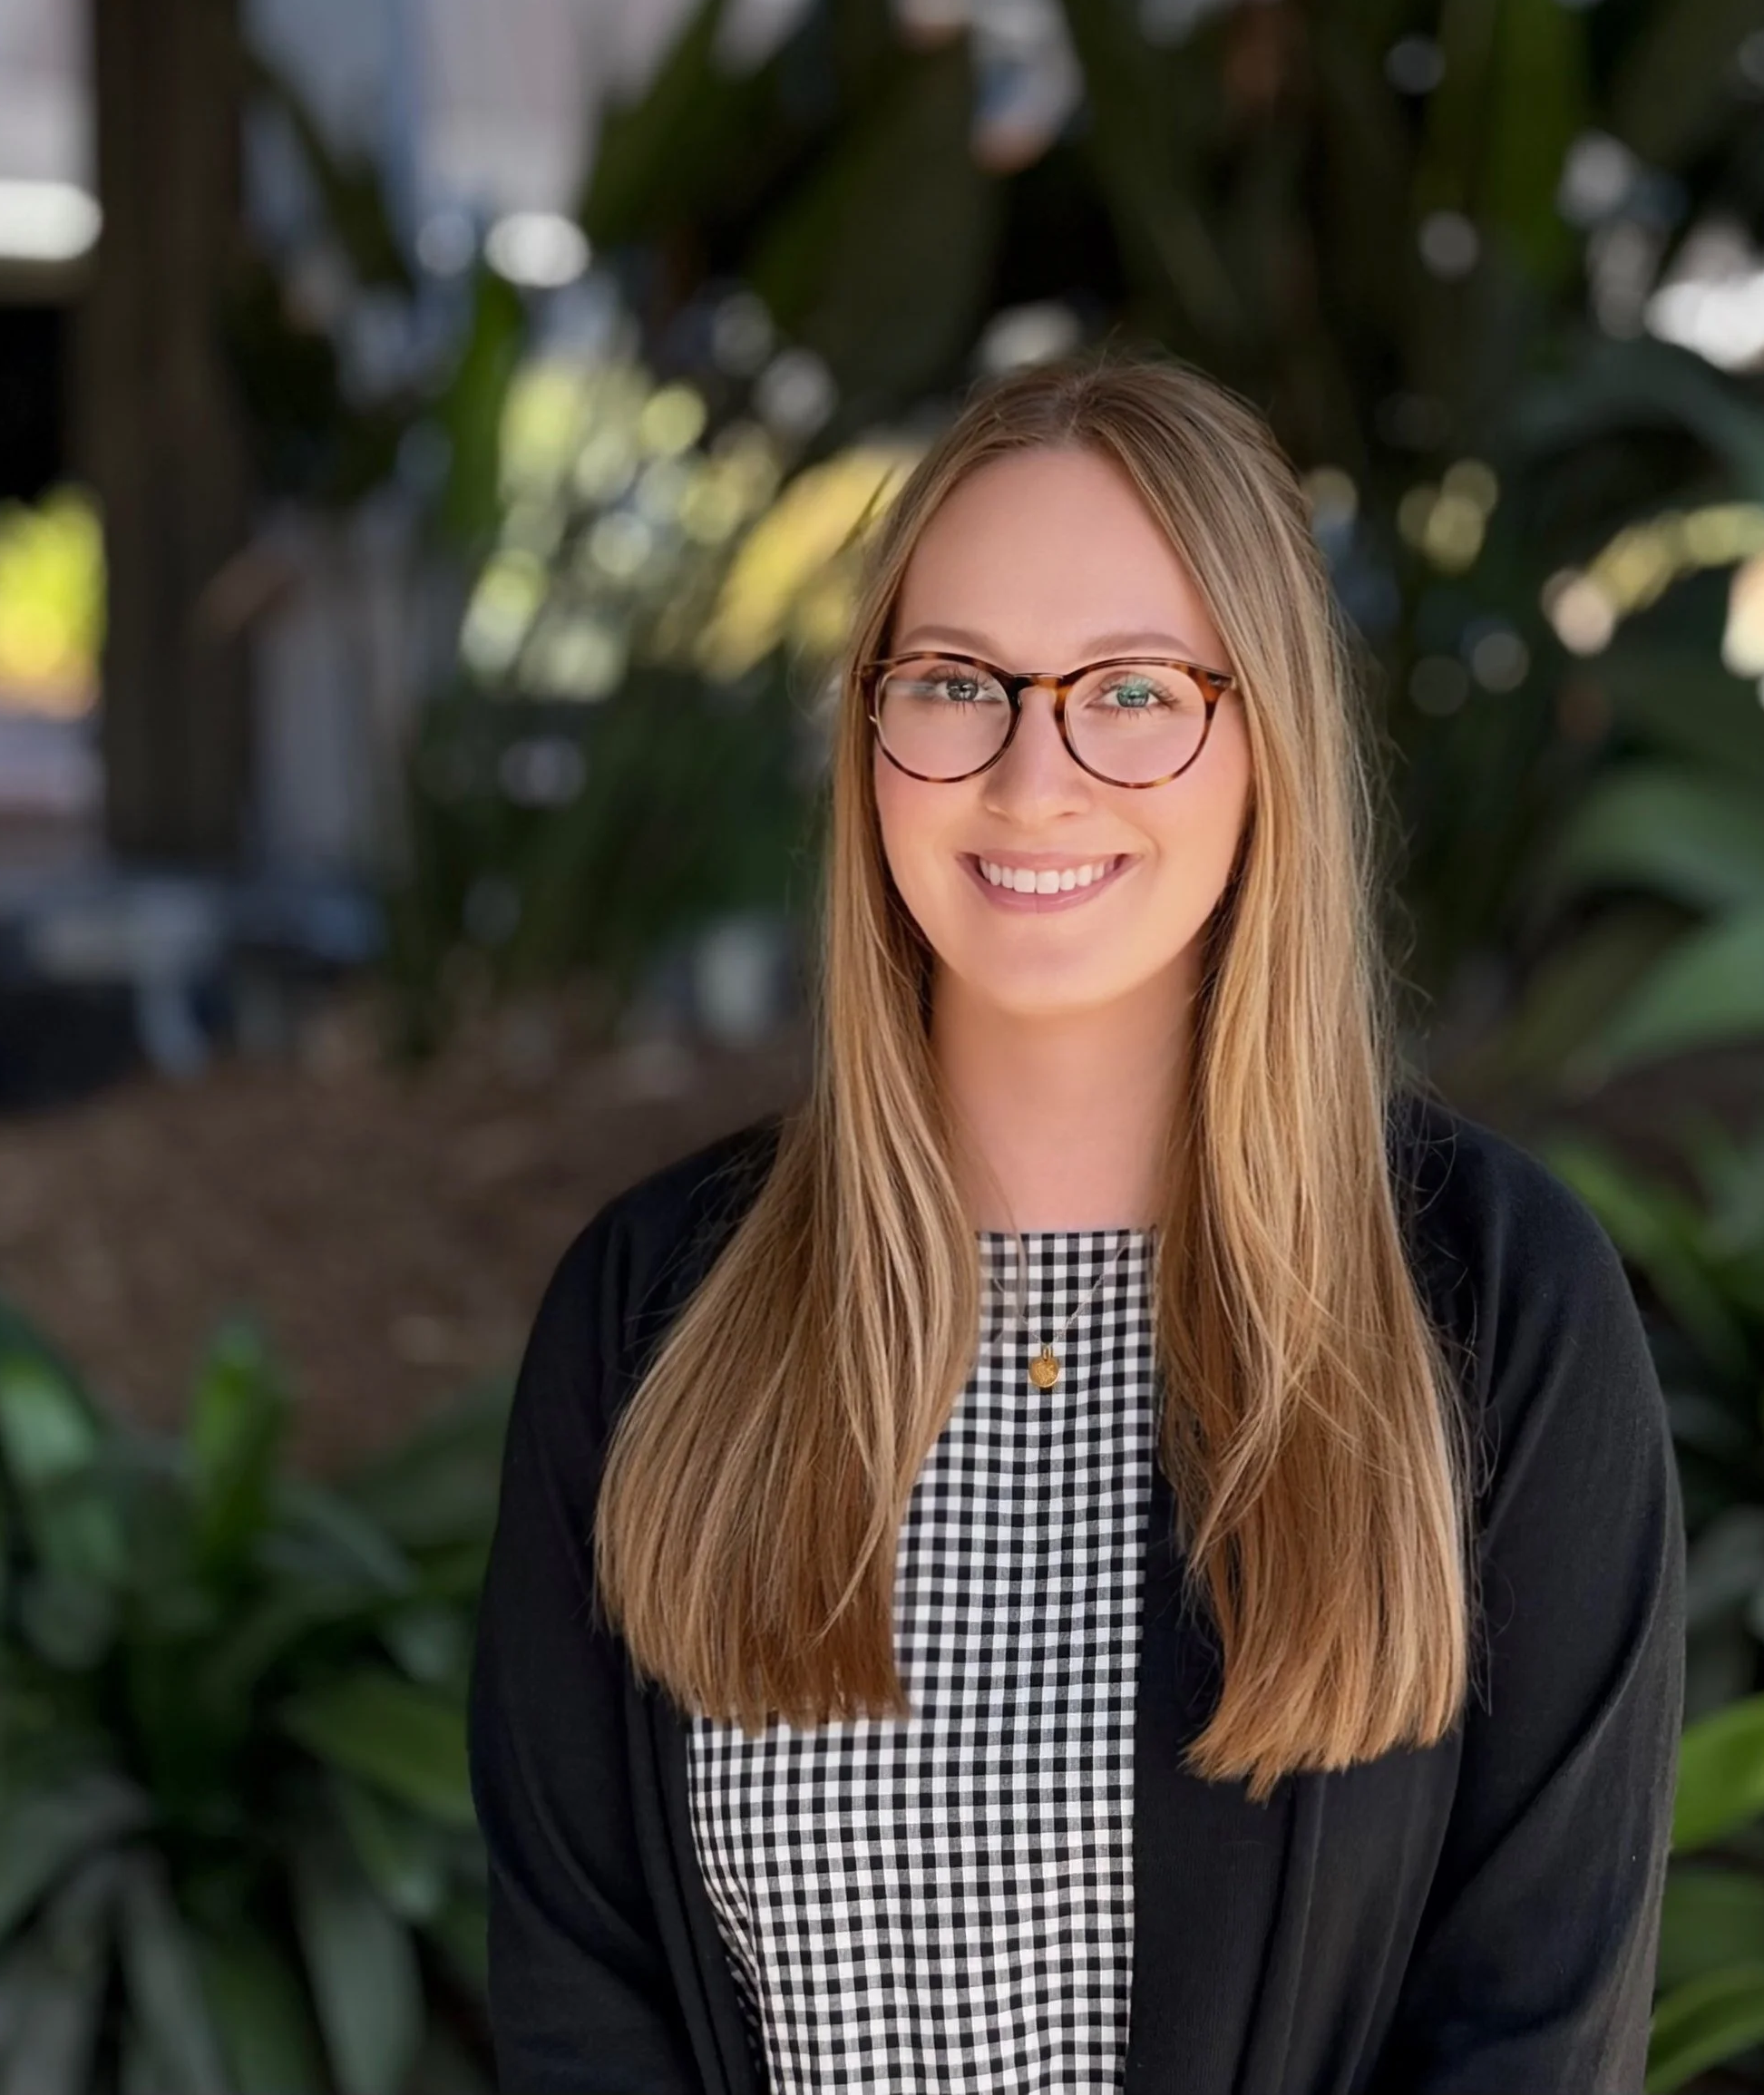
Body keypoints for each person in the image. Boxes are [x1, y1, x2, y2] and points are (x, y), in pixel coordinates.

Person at [468, 348, 1684, 2095]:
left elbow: (1532, 2030)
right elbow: (583, 2008)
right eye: (958, 681)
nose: (1032, 777)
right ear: (871, 726)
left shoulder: (1496, 1304)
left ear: (1262, 734)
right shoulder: (652, 1310)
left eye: (1129, 692)